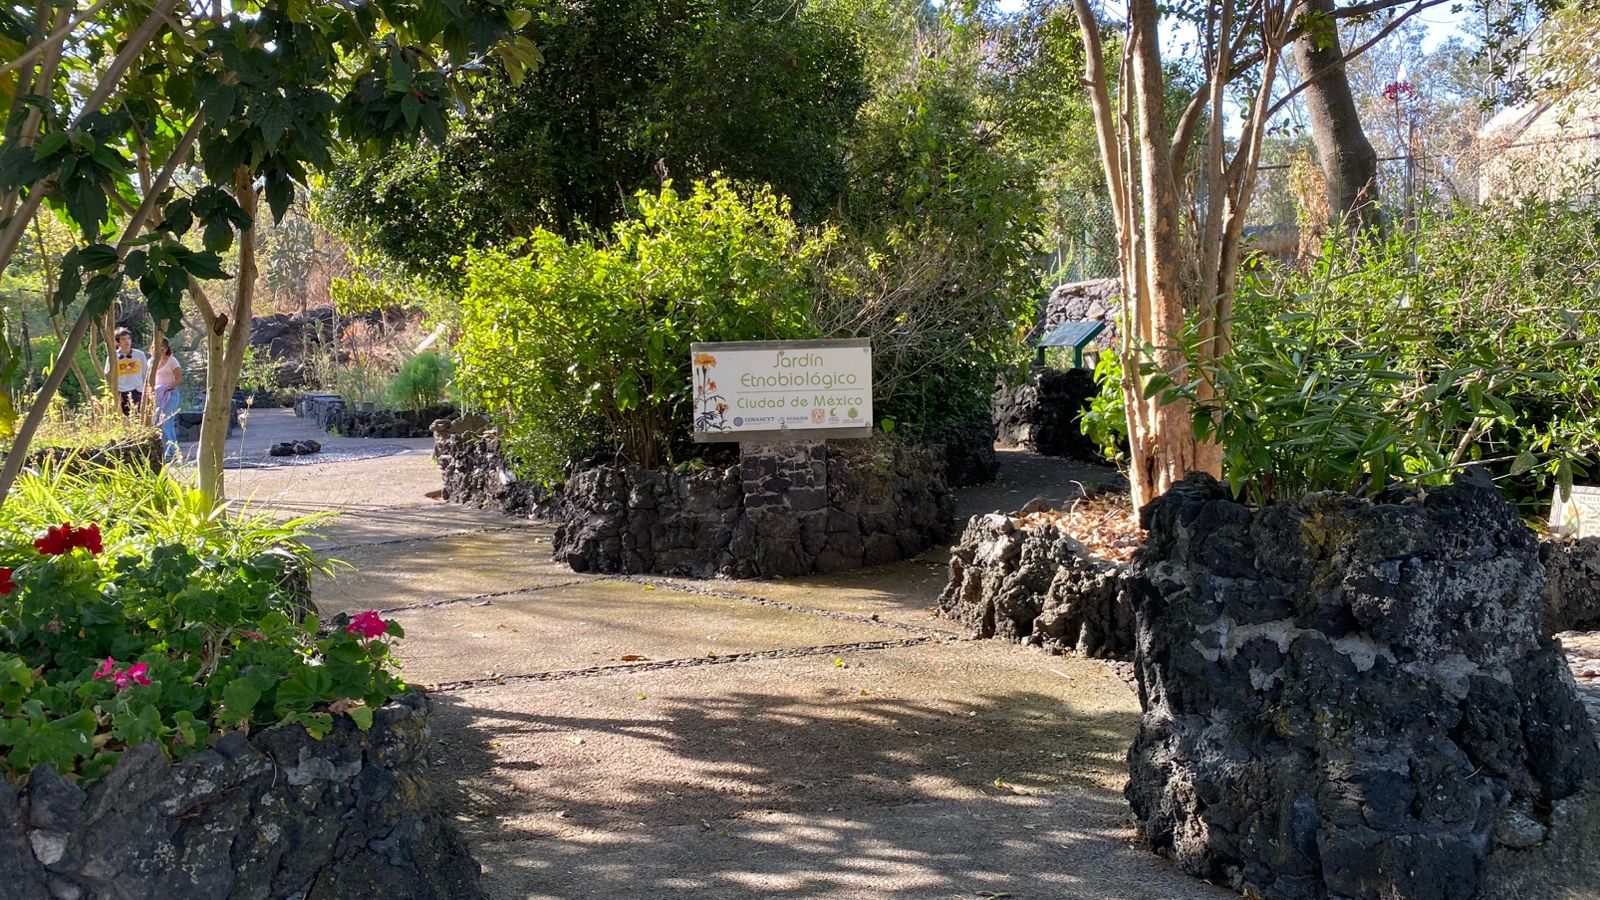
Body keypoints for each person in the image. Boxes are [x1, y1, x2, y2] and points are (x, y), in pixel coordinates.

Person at [151, 338, 183, 454]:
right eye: (156, 347)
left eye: (162, 347)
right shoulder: (151, 362)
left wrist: (166, 387)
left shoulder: (172, 361)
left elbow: (179, 379)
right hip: (157, 396)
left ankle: (173, 451)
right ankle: (166, 450)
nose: (159, 350)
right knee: (157, 423)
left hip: (171, 394)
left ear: (166, 348)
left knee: (166, 422)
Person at [110, 328, 148, 415]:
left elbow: (145, 373)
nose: (127, 341)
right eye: (123, 339)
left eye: (128, 338)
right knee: (123, 418)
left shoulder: (139, 354)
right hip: (120, 392)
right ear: (118, 342)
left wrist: (144, 389)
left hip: (137, 390)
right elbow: (108, 375)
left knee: (137, 417)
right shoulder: (113, 356)